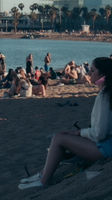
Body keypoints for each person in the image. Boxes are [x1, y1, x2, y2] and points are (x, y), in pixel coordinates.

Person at [19, 57, 112, 189]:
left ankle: (44, 180)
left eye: (92, 70)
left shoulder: (105, 97)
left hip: (104, 149)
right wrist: (78, 134)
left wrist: (80, 132)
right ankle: (43, 173)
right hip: (104, 145)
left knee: (59, 138)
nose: (89, 73)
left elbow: (100, 134)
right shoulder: (106, 93)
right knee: (63, 137)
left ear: (102, 74)